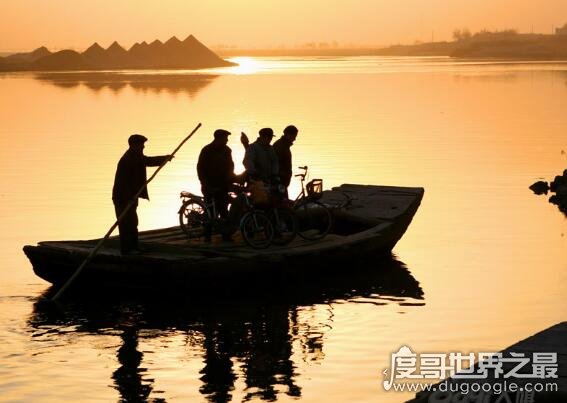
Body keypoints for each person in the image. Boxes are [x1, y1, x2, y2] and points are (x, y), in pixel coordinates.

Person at [112, 134, 172, 255]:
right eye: (141, 144)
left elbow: (147, 161)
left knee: (133, 223)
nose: (143, 147)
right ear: (134, 145)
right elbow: (122, 182)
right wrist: (129, 197)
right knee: (126, 224)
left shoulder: (136, 156)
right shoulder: (128, 159)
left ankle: (134, 248)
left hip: (131, 197)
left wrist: (165, 158)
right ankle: (127, 250)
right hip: (122, 198)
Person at [197, 129, 236, 241]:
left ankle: (226, 235)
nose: (227, 140)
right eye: (225, 138)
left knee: (223, 209)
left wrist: (230, 178)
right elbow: (200, 168)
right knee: (210, 210)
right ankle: (207, 236)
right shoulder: (206, 150)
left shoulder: (227, 150)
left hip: (222, 184)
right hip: (209, 184)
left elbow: (231, 166)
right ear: (218, 138)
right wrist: (204, 184)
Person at [272, 125, 298, 195]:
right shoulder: (280, 146)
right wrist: (281, 176)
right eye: (294, 136)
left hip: (283, 181)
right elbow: (275, 163)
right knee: (281, 202)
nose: (295, 139)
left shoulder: (284, 146)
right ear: (288, 135)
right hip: (279, 181)